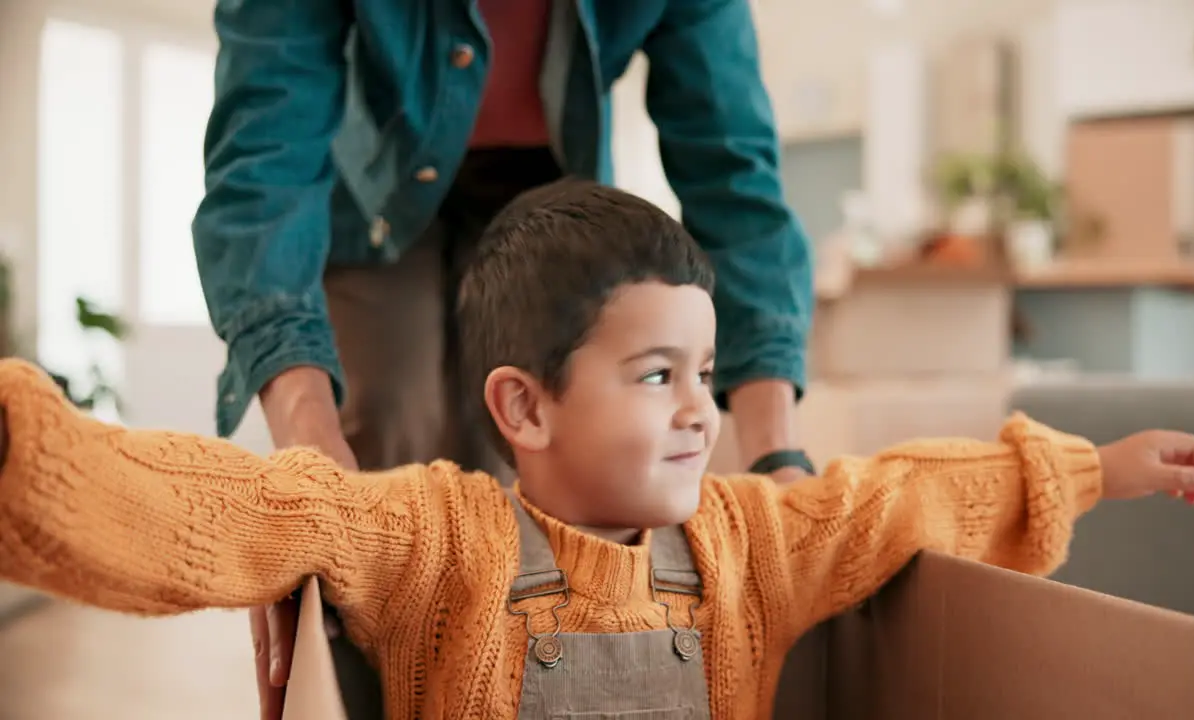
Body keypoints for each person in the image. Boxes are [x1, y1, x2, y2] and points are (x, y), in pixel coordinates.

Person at [0, 181, 1194, 719]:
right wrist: (31, 453)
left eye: (703, 372)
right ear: (524, 411)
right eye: (655, 377)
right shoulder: (436, 537)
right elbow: (239, 512)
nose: (700, 409)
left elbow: (897, 502)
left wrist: (1087, 469)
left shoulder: (747, 540)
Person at [193, 3, 815, 714]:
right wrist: (311, 478)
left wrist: (775, 463)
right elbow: (263, 163)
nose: (698, 414)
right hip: (373, 204)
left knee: (533, 494)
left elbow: (734, 175)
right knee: (383, 451)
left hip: (552, 189)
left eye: (698, 377)